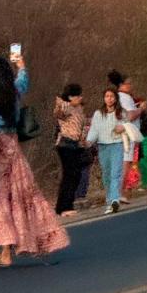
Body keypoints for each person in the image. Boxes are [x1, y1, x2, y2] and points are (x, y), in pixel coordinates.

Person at [0, 56, 69, 271]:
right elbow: (24, 81)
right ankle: (5, 253)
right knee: (14, 198)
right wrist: (21, 64)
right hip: (14, 149)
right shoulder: (14, 92)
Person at [86, 88, 128, 215]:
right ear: (104, 98)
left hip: (117, 144)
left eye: (111, 96)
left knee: (115, 173)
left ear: (116, 98)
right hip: (103, 146)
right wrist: (88, 141)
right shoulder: (99, 114)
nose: (109, 99)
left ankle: (115, 200)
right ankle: (110, 200)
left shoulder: (122, 113)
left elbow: (128, 127)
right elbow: (94, 130)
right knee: (107, 175)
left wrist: (123, 127)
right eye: (107, 96)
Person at [107, 70, 146, 203]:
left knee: (125, 162)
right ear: (122, 84)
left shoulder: (121, 97)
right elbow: (129, 116)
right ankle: (118, 193)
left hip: (124, 134)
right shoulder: (123, 97)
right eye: (128, 83)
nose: (131, 86)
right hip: (126, 135)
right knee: (125, 163)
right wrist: (140, 109)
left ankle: (119, 192)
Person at [53, 83, 87, 216]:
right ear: (70, 97)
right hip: (65, 143)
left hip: (76, 144)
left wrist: (83, 139)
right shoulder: (66, 106)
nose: (80, 98)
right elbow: (58, 113)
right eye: (77, 95)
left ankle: (67, 204)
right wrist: (60, 102)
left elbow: (82, 124)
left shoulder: (79, 108)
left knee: (76, 174)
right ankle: (64, 206)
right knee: (69, 174)